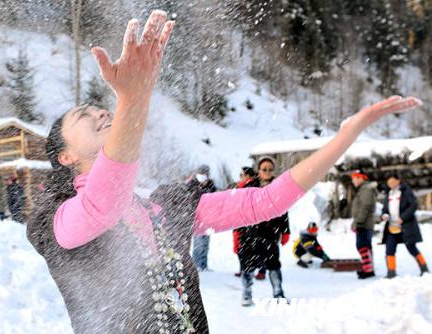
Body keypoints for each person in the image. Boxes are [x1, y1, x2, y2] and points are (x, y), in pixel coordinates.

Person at [25, 9, 421, 333]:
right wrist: (135, 96)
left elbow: (268, 200)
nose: (100, 111)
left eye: (103, 108)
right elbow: (102, 206)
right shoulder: (54, 220)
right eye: (83, 114)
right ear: (64, 157)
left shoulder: (165, 209)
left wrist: (346, 136)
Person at [251, 156, 290, 300]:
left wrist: (285, 231)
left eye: (270, 169)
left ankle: (278, 291)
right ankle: (247, 294)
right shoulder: (252, 185)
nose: (267, 172)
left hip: (271, 231)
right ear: (258, 170)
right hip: (254, 230)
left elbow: (284, 210)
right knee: (249, 261)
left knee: (274, 262)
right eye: (264, 169)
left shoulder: (278, 186)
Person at [382, 174, 429, 278]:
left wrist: (403, 217)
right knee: (389, 248)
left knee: (411, 247)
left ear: (399, 181)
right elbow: (385, 209)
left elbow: (413, 205)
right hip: (391, 226)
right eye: (389, 182)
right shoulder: (388, 194)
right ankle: (391, 272)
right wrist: (385, 214)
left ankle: (424, 268)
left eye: (393, 181)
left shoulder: (406, 191)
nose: (391, 184)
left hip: (406, 226)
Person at [233, 167, 260, 279]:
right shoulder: (241, 187)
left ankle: (248, 270)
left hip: (249, 223)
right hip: (240, 222)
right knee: (240, 247)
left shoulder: (251, 187)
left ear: (248, 176)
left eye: (242, 175)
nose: (240, 177)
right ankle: (244, 269)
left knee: (247, 248)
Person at [189, 165, 217, 271]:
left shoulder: (211, 186)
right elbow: (192, 199)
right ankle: (196, 265)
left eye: (204, 174)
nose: (201, 176)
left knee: (205, 243)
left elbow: (214, 198)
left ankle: (204, 264)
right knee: (198, 242)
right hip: (197, 217)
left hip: (208, 217)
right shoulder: (192, 184)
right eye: (200, 174)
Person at [351, 171, 377, 279]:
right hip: (364, 223)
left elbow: (366, 206)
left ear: (363, 178)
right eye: (354, 178)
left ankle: (368, 270)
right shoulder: (363, 189)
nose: (355, 180)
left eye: (357, 178)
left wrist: (359, 222)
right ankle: (369, 268)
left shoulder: (365, 189)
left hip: (364, 223)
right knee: (366, 246)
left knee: (362, 246)